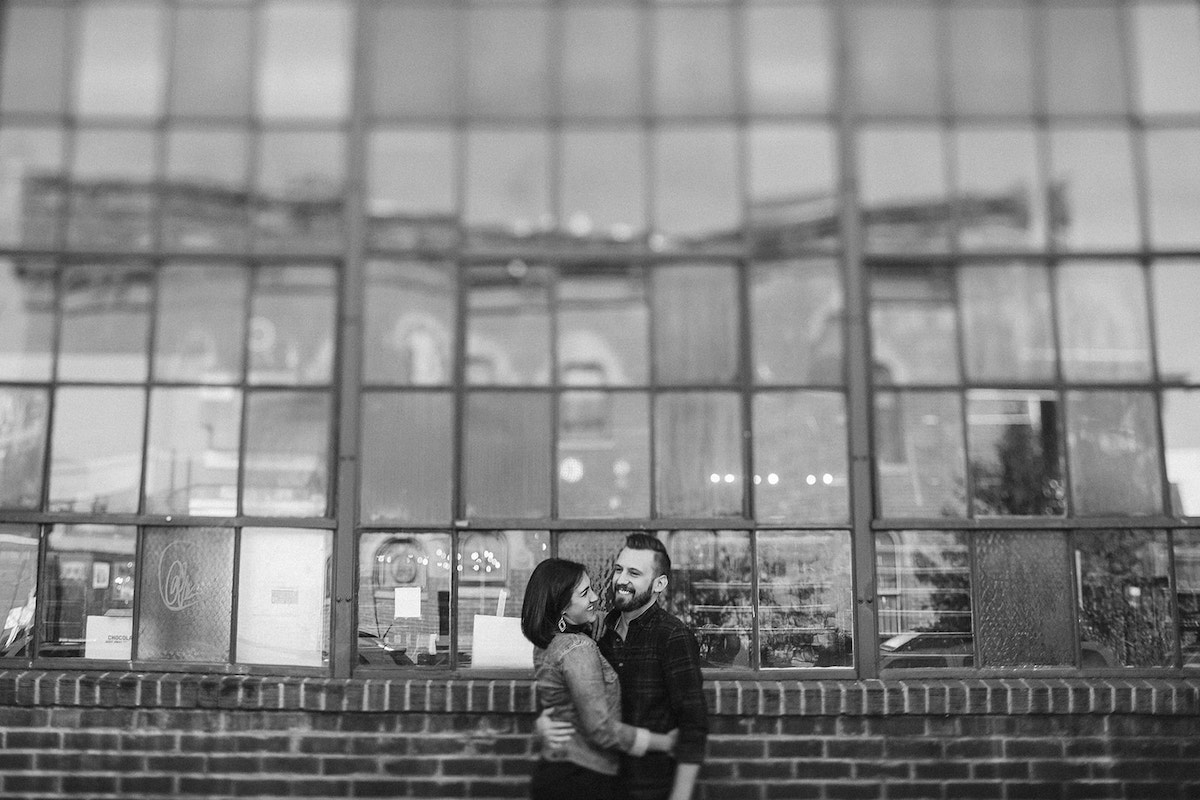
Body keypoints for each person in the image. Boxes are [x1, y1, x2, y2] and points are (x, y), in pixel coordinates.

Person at [539, 534, 709, 800]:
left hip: (651, 786)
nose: (621, 580)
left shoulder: (673, 636)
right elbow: (563, 685)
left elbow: (693, 725)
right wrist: (544, 721)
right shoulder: (597, 630)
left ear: (659, 583)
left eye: (634, 573)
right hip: (600, 782)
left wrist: (681, 796)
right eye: (618, 570)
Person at [521, 558, 678, 800]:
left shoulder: (547, 641)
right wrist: (665, 743)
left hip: (559, 770)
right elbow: (601, 730)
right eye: (585, 593)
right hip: (582, 779)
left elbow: (559, 699)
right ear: (561, 607)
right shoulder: (577, 648)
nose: (595, 597)